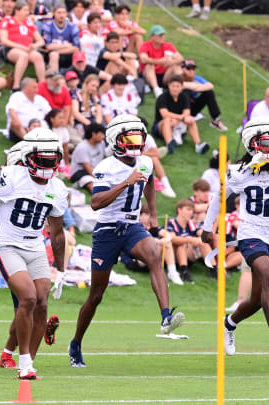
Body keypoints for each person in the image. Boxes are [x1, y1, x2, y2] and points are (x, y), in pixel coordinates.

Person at [68, 114, 185, 368]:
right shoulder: (104, 168)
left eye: (139, 137)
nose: (136, 143)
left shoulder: (144, 162)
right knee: (96, 295)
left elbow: (150, 181)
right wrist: (125, 183)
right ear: (116, 141)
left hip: (132, 226)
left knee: (155, 255)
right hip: (107, 230)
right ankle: (76, 343)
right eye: (130, 138)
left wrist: (152, 213)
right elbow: (96, 203)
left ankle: (166, 317)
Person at [0, 128, 68, 379]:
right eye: (44, 158)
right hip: (7, 244)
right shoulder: (13, 176)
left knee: (41, 303)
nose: (49, 164)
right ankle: (23, 362)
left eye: (53, 159)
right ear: (29, 157)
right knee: (27, 298)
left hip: (35, 246)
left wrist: (61, 268)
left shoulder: (59, 189)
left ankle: (28, 361)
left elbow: (57, 233)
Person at [202, 117, 269, 357]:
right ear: (252, 144)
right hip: (251, 233)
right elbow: (219, 198)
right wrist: (207, 228)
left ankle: (229, 323)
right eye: (266, 144)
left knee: (258, 298)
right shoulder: (240, 171)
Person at [121, 203, 183, 285]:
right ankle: (162, 276)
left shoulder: (151, 226)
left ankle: (172, 272)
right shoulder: (134, 227)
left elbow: (166, 234)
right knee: (158, 245)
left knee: (166, 244)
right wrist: (159, 241)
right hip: (134, 262)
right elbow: (144, 240)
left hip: (148, 259)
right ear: (140, 215)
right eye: (147, 214)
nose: (150, 217)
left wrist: (166, 239)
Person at [154, 74, 209, 155]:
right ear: (169, 86)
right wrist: (182, 118)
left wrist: (179, 120)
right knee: (167, 120)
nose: (175, 88)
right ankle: (169, 144)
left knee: (190, 119)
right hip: (161, 127)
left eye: (177, 86)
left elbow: (187, 112)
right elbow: (164, 114)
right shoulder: (162, 97)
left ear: (182, 87)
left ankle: (198, 144)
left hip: (177, 124)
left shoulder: (184, 96)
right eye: (173, 86)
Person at [0, 2, 46, 91]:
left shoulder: (29, 23)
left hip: (28, 48)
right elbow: (3, 40)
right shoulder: (7, 20)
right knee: (23, 55)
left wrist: (34, 45)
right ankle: (16, 86)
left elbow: (41, 41)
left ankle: (42, 86)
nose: (28, 13)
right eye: (25, 10)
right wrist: (20, 47)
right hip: (10, 49)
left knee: (38, 57)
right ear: (17, 11)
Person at [168, 199, 212, 280]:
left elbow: (201, 233)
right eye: (188, 210)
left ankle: (214, 269)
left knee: (203, 243)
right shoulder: (171, 223)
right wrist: (189, 239)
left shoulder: (191, 223)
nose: (191, 213)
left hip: (189, 254)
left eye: (192, 210)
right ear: (179, 210)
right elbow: (172, 239)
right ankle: (184, 271)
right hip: (174, 256)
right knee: (182, 244)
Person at [181, 59, 227, 131]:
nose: (191, 70)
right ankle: (184, 119)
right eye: (188, 68)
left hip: (193, 108)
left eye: (193, 68)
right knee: (186, 92)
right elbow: (182, 85)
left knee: (209, 92)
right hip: (180, 109)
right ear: (182, 69)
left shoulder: (196, 78)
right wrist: (197, 86)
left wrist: (196, 87)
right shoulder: (178, 77)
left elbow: (210, 86)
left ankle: (215, 120)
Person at [139, 25, 182, 98]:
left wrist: (171, 62)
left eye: (163, 35)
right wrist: (159, 62)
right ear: (152, 36)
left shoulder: (168, 45)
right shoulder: (145, 45)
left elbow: (180, 58)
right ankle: (157, 90)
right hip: (149, 75)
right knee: (149, 65)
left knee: (176, 65)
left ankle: (180, 87)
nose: (162, 37)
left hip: (164, 75)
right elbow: (143, 59)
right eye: (159, 35)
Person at [41, 4, 79, 73]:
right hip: (51, 56)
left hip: (68, 55)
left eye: (63, 12)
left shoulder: (73, 27)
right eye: (59, 13)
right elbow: (48, 46)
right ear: (54, 14)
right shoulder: (47, 26)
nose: (61, 15)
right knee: (54, 55)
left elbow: (76, 48)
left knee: (78, 55)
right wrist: (66, 45)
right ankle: (54, 79)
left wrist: (57, 50)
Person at [69, 122, 105, 192]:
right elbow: (88, 168)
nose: (103, 136)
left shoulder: (101, 143)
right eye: (101, 134)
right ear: (94, 134)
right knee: (91, 181)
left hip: (95, 170)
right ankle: (99, 197)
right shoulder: (82, 147)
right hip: (80, 172)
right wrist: (102, 179)